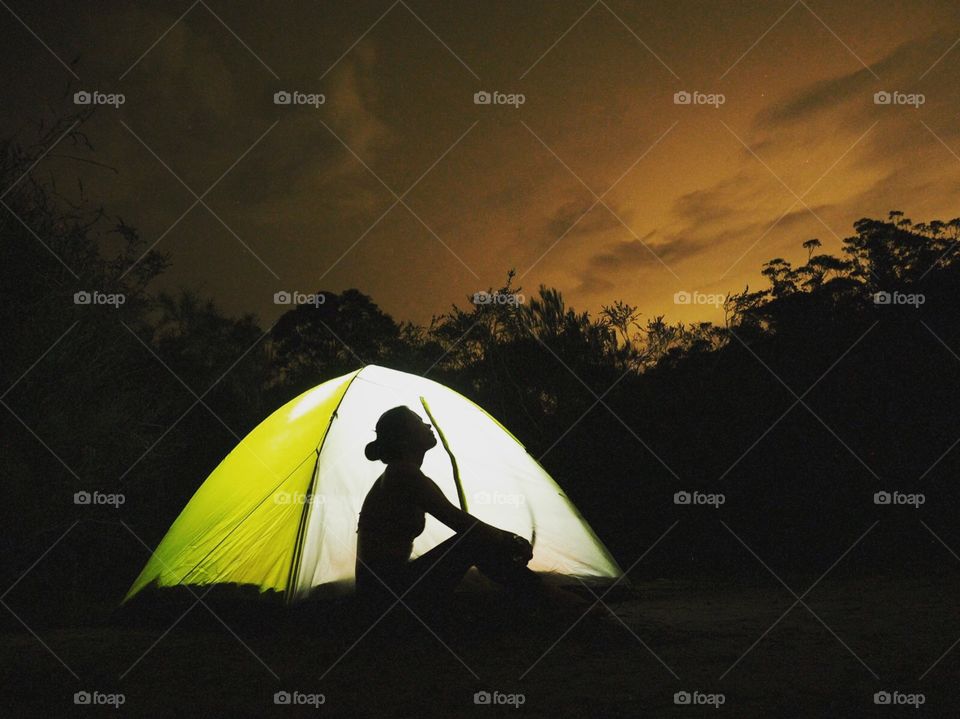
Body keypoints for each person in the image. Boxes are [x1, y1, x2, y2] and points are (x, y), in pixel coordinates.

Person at [355, 405, 541, 615]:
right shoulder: (403, 475)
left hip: (384, 594)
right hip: (383, 599)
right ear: (404, 438)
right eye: (418, 421)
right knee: (471, 541)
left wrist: (504, 540)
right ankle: (552, 599)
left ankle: (544, 597)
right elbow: (461, 522)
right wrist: (511, 540)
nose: (427, 424)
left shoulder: (402, 474)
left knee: (475, 543)